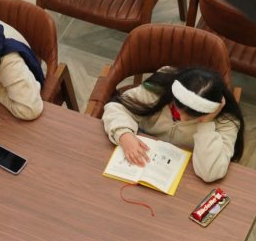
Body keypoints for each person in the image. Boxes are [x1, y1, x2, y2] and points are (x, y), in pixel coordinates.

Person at [102, 66, 245, 182]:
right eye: (178, 110)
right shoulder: (159, 88)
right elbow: (117, 107)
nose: (182, 119)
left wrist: (206, 124)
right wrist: (124, 135)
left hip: (183, 177)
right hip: (139, 161)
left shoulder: (226, 120)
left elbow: (210, 173)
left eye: (193, 117)